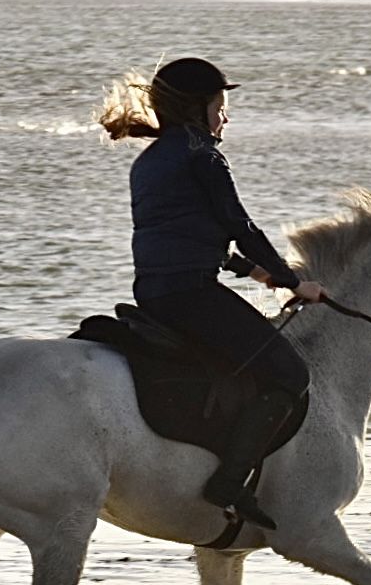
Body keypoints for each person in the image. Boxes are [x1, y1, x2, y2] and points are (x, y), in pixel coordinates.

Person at [96, 57, 326, 530]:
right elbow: (241, 226)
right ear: (197, 108)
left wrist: (252, 272)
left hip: (155, 292)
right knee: (291, 374)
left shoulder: (149, 160)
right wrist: (291, 280)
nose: (225, 117)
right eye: (220, 106)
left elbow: (183, 234)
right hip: (191, 293)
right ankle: (229, 481)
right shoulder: (202, 155)